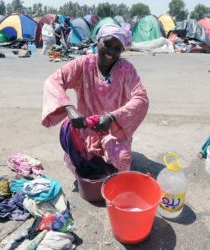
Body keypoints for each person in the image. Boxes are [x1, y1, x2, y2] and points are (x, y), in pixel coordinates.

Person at [42, 24, 149, 175]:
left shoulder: (126, 70)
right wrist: (70, 109)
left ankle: (117, 181)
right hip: (86, 126)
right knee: (70, 142)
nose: (111, 51)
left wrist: (112, 117)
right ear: (98, 41)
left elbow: (141, 98)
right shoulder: (83, 64)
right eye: (107, 44)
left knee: (122, 157)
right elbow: (53, 81)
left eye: (117, 48)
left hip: (113, 129)